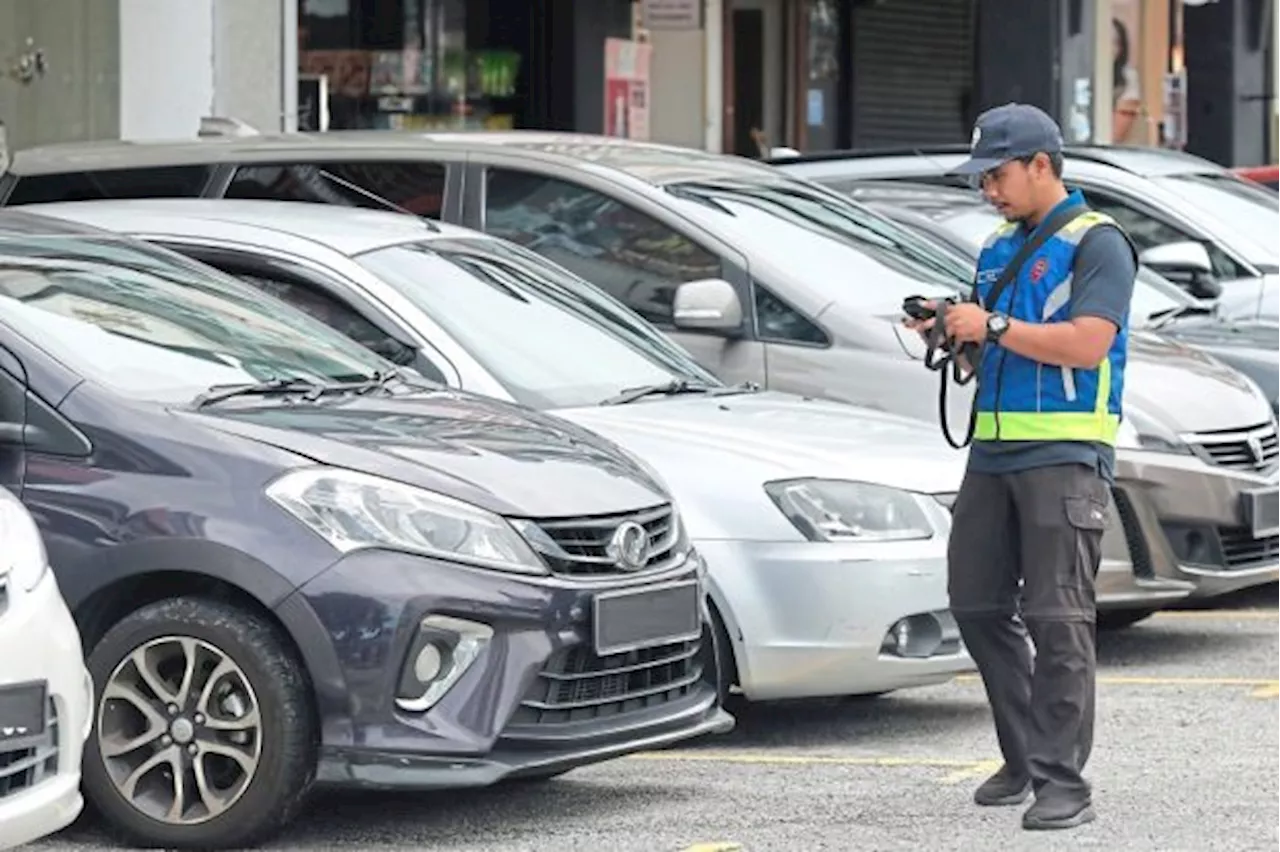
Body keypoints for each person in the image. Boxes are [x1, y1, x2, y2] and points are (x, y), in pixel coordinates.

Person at [903, 102, 1137, 831]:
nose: (988, 192)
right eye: (981, 180)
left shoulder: (1099, 243)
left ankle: (1064, 780)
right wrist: (953, 327)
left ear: (1042, 165)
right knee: (975, 604)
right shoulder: (998, 247)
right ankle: (1027, 753)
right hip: (994, 453)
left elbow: (1089, 343)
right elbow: (996, 346)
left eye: (997, 176)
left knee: (1057, 615)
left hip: (1065, 455)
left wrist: (995, 323)